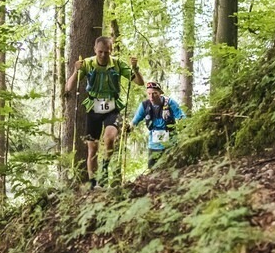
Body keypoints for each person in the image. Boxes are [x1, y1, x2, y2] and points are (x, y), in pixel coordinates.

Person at [65, 35, 144, 186]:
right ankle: (93, 183)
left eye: (106, 52)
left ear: (111, 50)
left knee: (109, 138)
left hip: (112, 107)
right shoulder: (87, 64)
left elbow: (140, 82)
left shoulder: (118, 64)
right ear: (95, 50)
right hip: (93, 108)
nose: (103, 55)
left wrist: (135, 69)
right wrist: (76, 71)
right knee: (92, 148)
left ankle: (105, 168)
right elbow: (69, 87)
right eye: (100, 52)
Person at [127, 81, 185, 169]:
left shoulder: (170, 102)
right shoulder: (144, 105)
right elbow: (135, 121)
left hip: (170, 144)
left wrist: (185, 129)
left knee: (171, 170)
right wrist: (128, 128)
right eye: (149, 93)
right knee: (152, 171)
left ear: (160, 93)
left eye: (154, 93)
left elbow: (182, 117)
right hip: (153, 145)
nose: (151, 97)